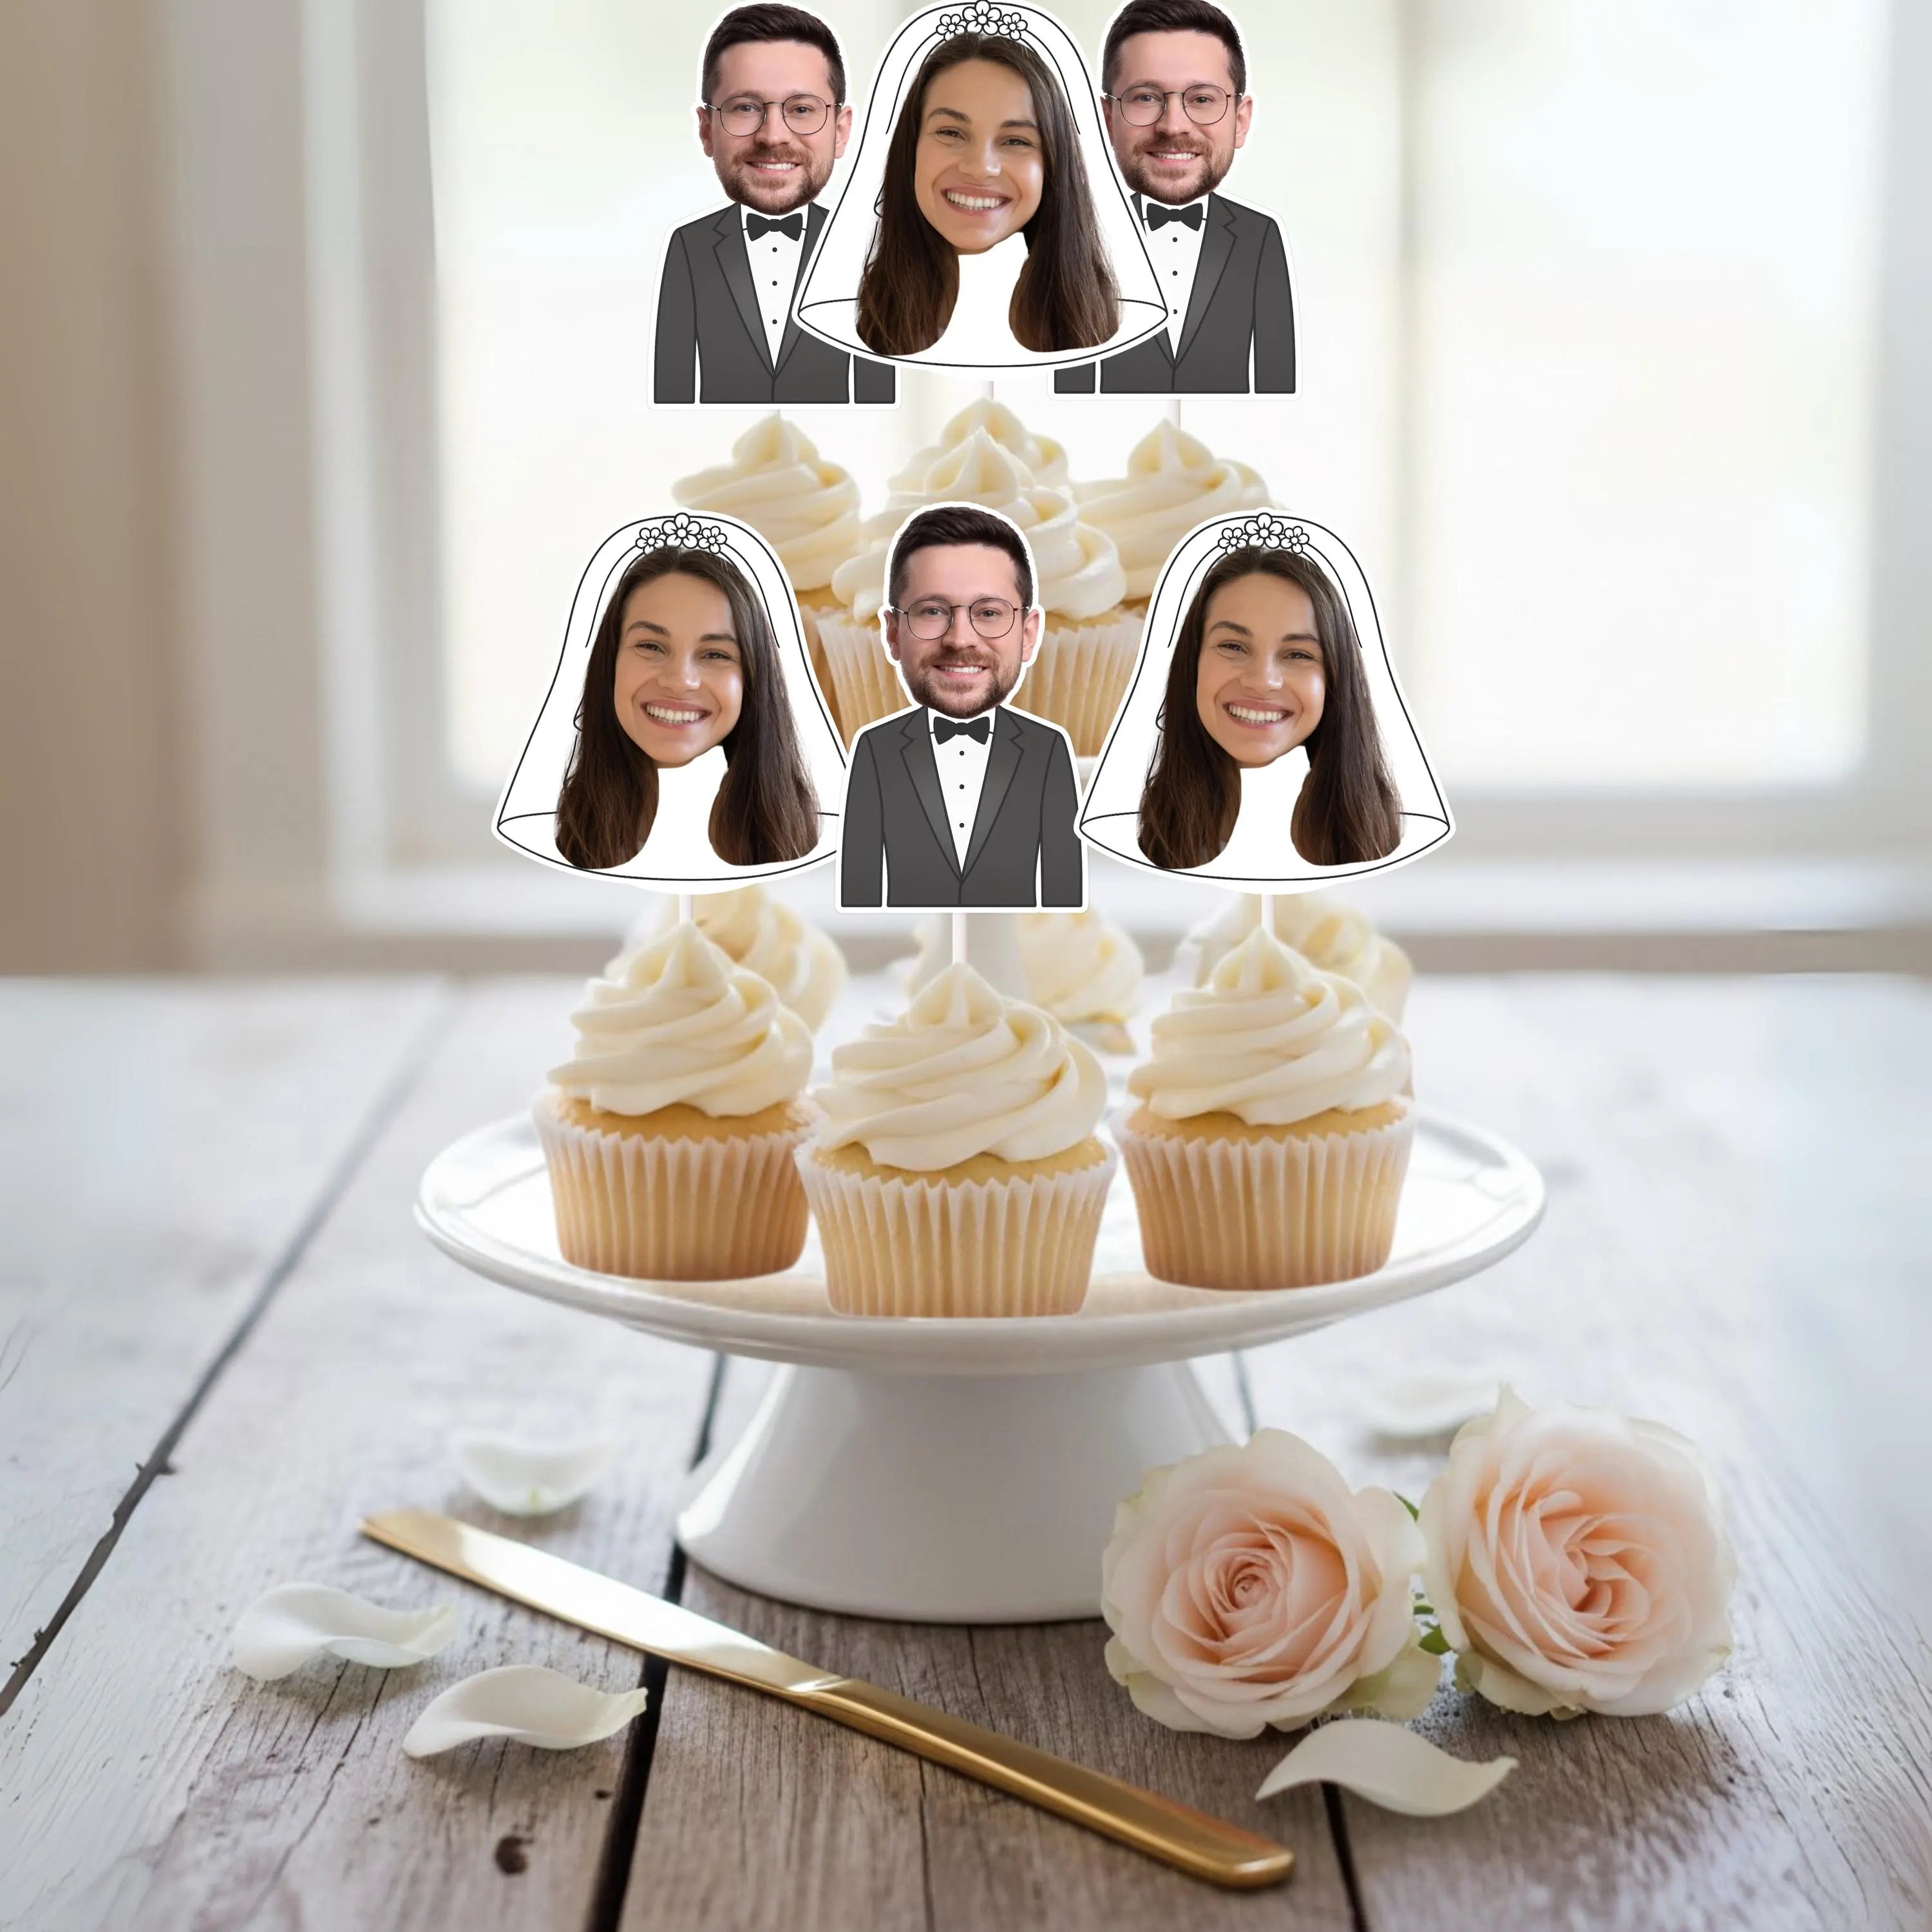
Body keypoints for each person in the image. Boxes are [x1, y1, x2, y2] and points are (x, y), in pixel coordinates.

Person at [839, 505, 1083, 907]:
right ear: (893, 633)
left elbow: (1065, 894)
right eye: (933, 611)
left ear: (1028, 634)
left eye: (989, 613)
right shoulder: (873, 750)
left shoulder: (1049, 749)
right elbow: (858, 893)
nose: (960, 639)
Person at [654, 5, 895, 402]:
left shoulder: (862, 248)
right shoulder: (688, 246)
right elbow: (671, 391)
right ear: (706, 129)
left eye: (802, 109)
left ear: (840, 131)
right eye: (745, 108)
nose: (772, 136)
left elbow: (879, 400)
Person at [1056, 0, 1294, 393]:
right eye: (1146, 97)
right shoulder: (1087, 236)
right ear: (1107, 120)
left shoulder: (1261, 236)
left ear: (1241, 120)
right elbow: (1070, 384)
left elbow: (1279, 378)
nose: (1172, 126)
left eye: (1202, 99)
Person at [853, 32, 1119, 359]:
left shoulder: (1113, 325)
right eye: (951, 133)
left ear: (1053, 164)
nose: (980, 168)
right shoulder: (846, 315)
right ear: (911, 151)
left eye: (1016, 141)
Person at [555, 544, 820, 870]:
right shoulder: (547, 835)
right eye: (650, 646)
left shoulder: (819, 846)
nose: (680, 681)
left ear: (753, 678)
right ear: (609, 664)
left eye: (715, 654)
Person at [1137, 547, 1399, 869]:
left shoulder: (1394, 847)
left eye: (1298, 654)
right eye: (1233, 646)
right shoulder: (1125, 833)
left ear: (1336, 677)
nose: (1262, 681)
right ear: (1191, 665)